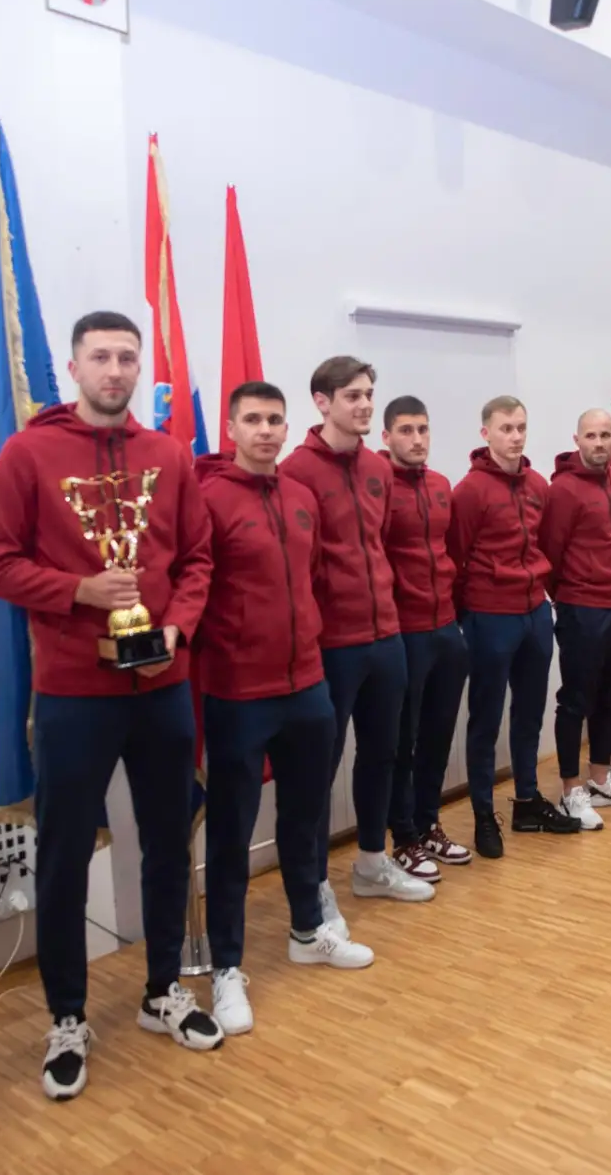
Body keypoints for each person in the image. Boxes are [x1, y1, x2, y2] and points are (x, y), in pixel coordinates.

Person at [0, 311, 223, 1103]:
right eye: (101, 358)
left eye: (126, 358)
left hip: (161, 686)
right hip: (73, 692)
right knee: (63, 855)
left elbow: (198, 557)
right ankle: (67, 1017)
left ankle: (161, 989)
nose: (115, 371)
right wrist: (77, 590)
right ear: (76, 367)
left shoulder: (167, 456)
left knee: (167, 841)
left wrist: (179, 624)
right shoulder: (29, 453)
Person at [195, 382, 374, 1038]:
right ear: (231, 427)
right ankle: (226, 968)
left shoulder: (300, 497)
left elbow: (315, 580)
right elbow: (195, 587)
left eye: (275, 419)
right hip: (239, 692)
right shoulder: (209, 498)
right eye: (253, 419)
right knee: (232, 832)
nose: (266, 430)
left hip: (307, 685)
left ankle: (307, 929)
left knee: (306, 816)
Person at [279, 357, 432, 915]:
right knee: (319, 768)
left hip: (386, 635)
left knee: (383, 754)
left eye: (369, 394)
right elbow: (300, 562)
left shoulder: (378, 468)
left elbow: (378, 544)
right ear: (322, 402)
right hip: (331, 643)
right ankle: (314, 885)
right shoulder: (296, 470)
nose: (365, 404)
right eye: (353, 396)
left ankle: (371, 862)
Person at [450, 395, 583, 855]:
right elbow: (456, 558)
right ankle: (483, 813)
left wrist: (545, 598)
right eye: (506, 428)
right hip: (490, 615)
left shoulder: (538, 484)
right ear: (486, 433)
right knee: (486, 719)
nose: (515, 436)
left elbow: (545, 544)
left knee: (529, 713)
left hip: (534, 613)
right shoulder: (470, 491)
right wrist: (468, 614)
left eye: (521, 427)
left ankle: (527, 800)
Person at [541, 410, 611, 829]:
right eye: (591, 436)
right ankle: (571, 789)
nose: (599, 443)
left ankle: (601, 777)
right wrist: (570, 598)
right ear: (577, 440)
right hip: (582, 607)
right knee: (577, 699)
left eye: (606, 435)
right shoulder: (563, 489)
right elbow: (551, 552)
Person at [379, 395, 473, 876]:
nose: (417, 440)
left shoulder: (440, 485)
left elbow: (451, 551)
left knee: (438, 734)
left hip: (446, 628)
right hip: (405, 631)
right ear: (386, 437)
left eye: (423, 429)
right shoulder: (378, 487)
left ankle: (428, 823)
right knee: (403, 740)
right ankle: (403, 837)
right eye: (406, 430)